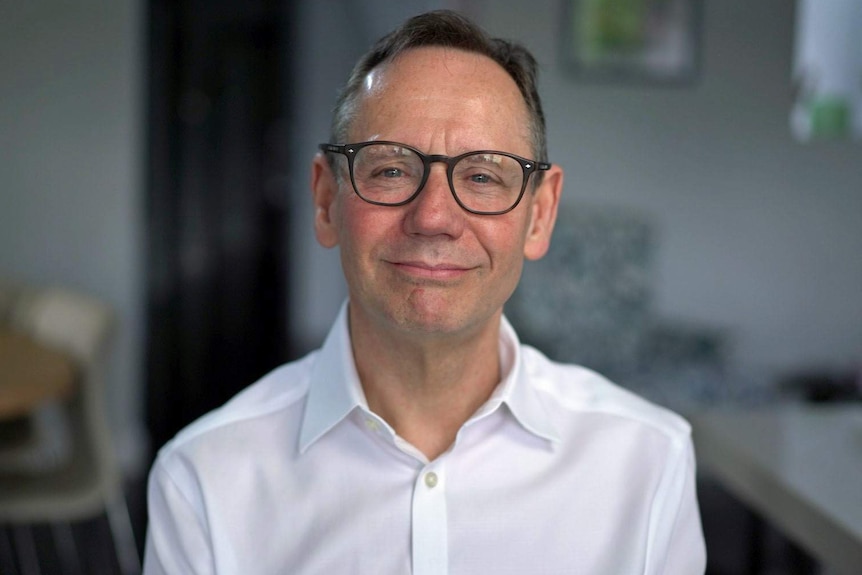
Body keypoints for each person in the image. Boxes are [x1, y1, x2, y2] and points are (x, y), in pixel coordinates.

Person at [144, 10, 706, 574]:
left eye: (483, 176)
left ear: (540, 215)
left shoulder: (649, 463)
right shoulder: (203, 481)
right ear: (325, 202)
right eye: (390, 170)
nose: (434, 216)